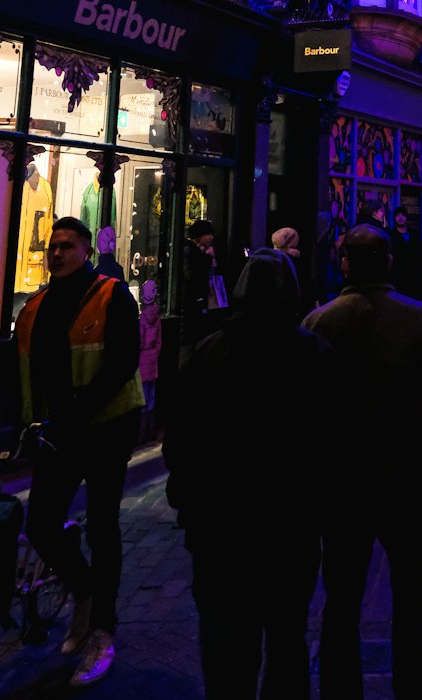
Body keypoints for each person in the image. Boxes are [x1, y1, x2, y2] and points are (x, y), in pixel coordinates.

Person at [164, 248, 332, 699]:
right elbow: (331, 443)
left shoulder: (207, 355)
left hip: (221, 533)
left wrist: (188, 504)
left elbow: (179, 442)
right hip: (289, 532)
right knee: (286, 643)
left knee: (226, 650)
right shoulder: (313, 355)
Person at [303, 225, 422, 700]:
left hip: (343, 484)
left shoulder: (319, 323)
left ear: (344, 262)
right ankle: (412, 687)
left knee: (342, 597)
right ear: (389, 261)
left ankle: (339, 689)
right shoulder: (421, 319)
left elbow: (305, 408)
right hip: (405, 479)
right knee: (411, 594)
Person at [15, 215, 143, 687]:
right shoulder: (37, 306)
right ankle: (85, 594)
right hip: (59, 433)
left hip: (107, 430)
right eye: (53, 246)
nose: (58, 253)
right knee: (41, 524)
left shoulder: (112, 296)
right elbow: (18, 363)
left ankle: (102, 633)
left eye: (68, 245)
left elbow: (121, 364)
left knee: (105, 526)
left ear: (86, 250)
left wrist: (77, 412)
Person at [181, 218, 221, 351]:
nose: (211, 237)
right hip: (192, 298)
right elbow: (192, 274)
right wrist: (208, 258)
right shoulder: (191, 250)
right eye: (208, 234)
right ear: (200, 235)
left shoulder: (197, 250)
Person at [137, 278, 162, 443]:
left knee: (143, 402)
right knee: (152, 400)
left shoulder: (142, 319)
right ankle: (151, 432)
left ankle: (141, 436)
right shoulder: (157, 316)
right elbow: (159, 342)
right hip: (153, 363)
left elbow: (140, 342)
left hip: (143, 364)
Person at [389, 206, 422, 299]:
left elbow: (420, 256)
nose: (401, 218)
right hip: (398, 279)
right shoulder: (391, 236)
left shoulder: (414, 235)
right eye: (398, 215)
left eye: (403, 215)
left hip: (414, 279)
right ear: (394, 218)